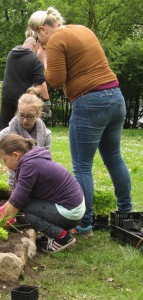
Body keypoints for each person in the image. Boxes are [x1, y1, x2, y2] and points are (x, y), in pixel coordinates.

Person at [28, 7, 133, 235]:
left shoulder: (56, 41)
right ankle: (127, 212)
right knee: (114, 158)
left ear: (43, 29)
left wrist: (43, 58)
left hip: (90, 103)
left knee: (82, 165)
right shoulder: (82, 29)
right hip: (115, 97)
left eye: (38, 37)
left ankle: (85, 223)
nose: (39, 41)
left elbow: (55, 81)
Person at [0, 133, 85, 253]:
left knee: (21, 213)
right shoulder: (32, 160)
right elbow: (17, 195)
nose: (5, 165)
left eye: (5, 160)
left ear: (15, 155)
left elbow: (16, 202)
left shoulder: (30, 166)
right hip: (72, 208)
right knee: (22, 206)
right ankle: (57, 231)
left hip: (70, 213)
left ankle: (62, 237)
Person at [0, 87, 52, 205]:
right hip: (16, 186)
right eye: (21, 115)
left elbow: (46, 166)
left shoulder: (45, 135)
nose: (25, 120)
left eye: (30, 116)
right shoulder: (7, 133)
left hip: (38, 186)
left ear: (38, 114)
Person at [0, 37, 50, 136]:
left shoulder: (11, 54)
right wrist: (47, 101)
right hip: (23, 99)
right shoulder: (34, 60)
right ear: (34, 46)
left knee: (3, 125)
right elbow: (41, 82)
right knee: (23, 127)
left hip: (7, 95)